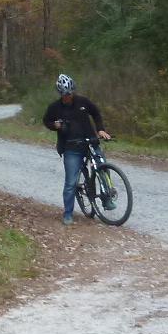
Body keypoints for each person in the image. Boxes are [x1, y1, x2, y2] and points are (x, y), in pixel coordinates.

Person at [42, 73, 110, 225]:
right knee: (71, 182)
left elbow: (96, 112)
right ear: (60, 93)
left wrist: (100, 129)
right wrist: (55, 125)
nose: (68, 96)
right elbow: (46, 120)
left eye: (70, 93)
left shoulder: (83, 101)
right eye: (65, 94)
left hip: (90, 141)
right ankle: (68, 213)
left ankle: (107, 199)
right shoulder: (55, 107)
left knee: (103, 168)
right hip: (71, 147)